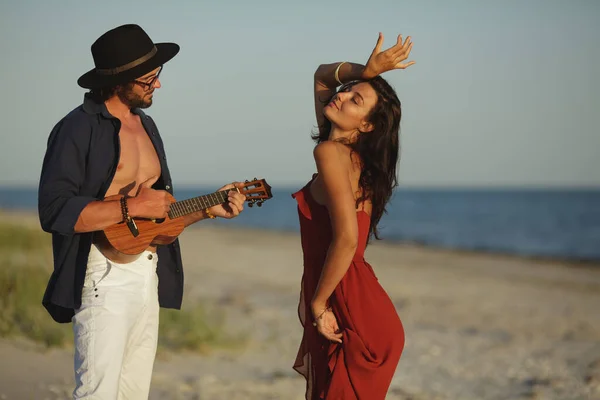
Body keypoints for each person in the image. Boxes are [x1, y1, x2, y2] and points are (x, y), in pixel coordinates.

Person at [37, 24, 246, 399]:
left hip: (147, 274)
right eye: (148, 79)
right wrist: (130, 204)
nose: (158, 86)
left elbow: (156, 218)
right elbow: (54, 211)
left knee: (134, 393)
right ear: (118, 79)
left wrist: (205, 210)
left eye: (157, 76)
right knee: (97, 393)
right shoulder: (76, 129)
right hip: (103, 274)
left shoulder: (147, 126)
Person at [291, 32, 415, 399]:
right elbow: (322, 75)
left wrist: (318, 303)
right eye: (344, 90)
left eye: (355, 99)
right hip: (358, 301)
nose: (340, 95)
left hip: (348, 304)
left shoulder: (331, 153)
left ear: (367, 125)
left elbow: (346, 239)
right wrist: (368, 70)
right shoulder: (349, 157)